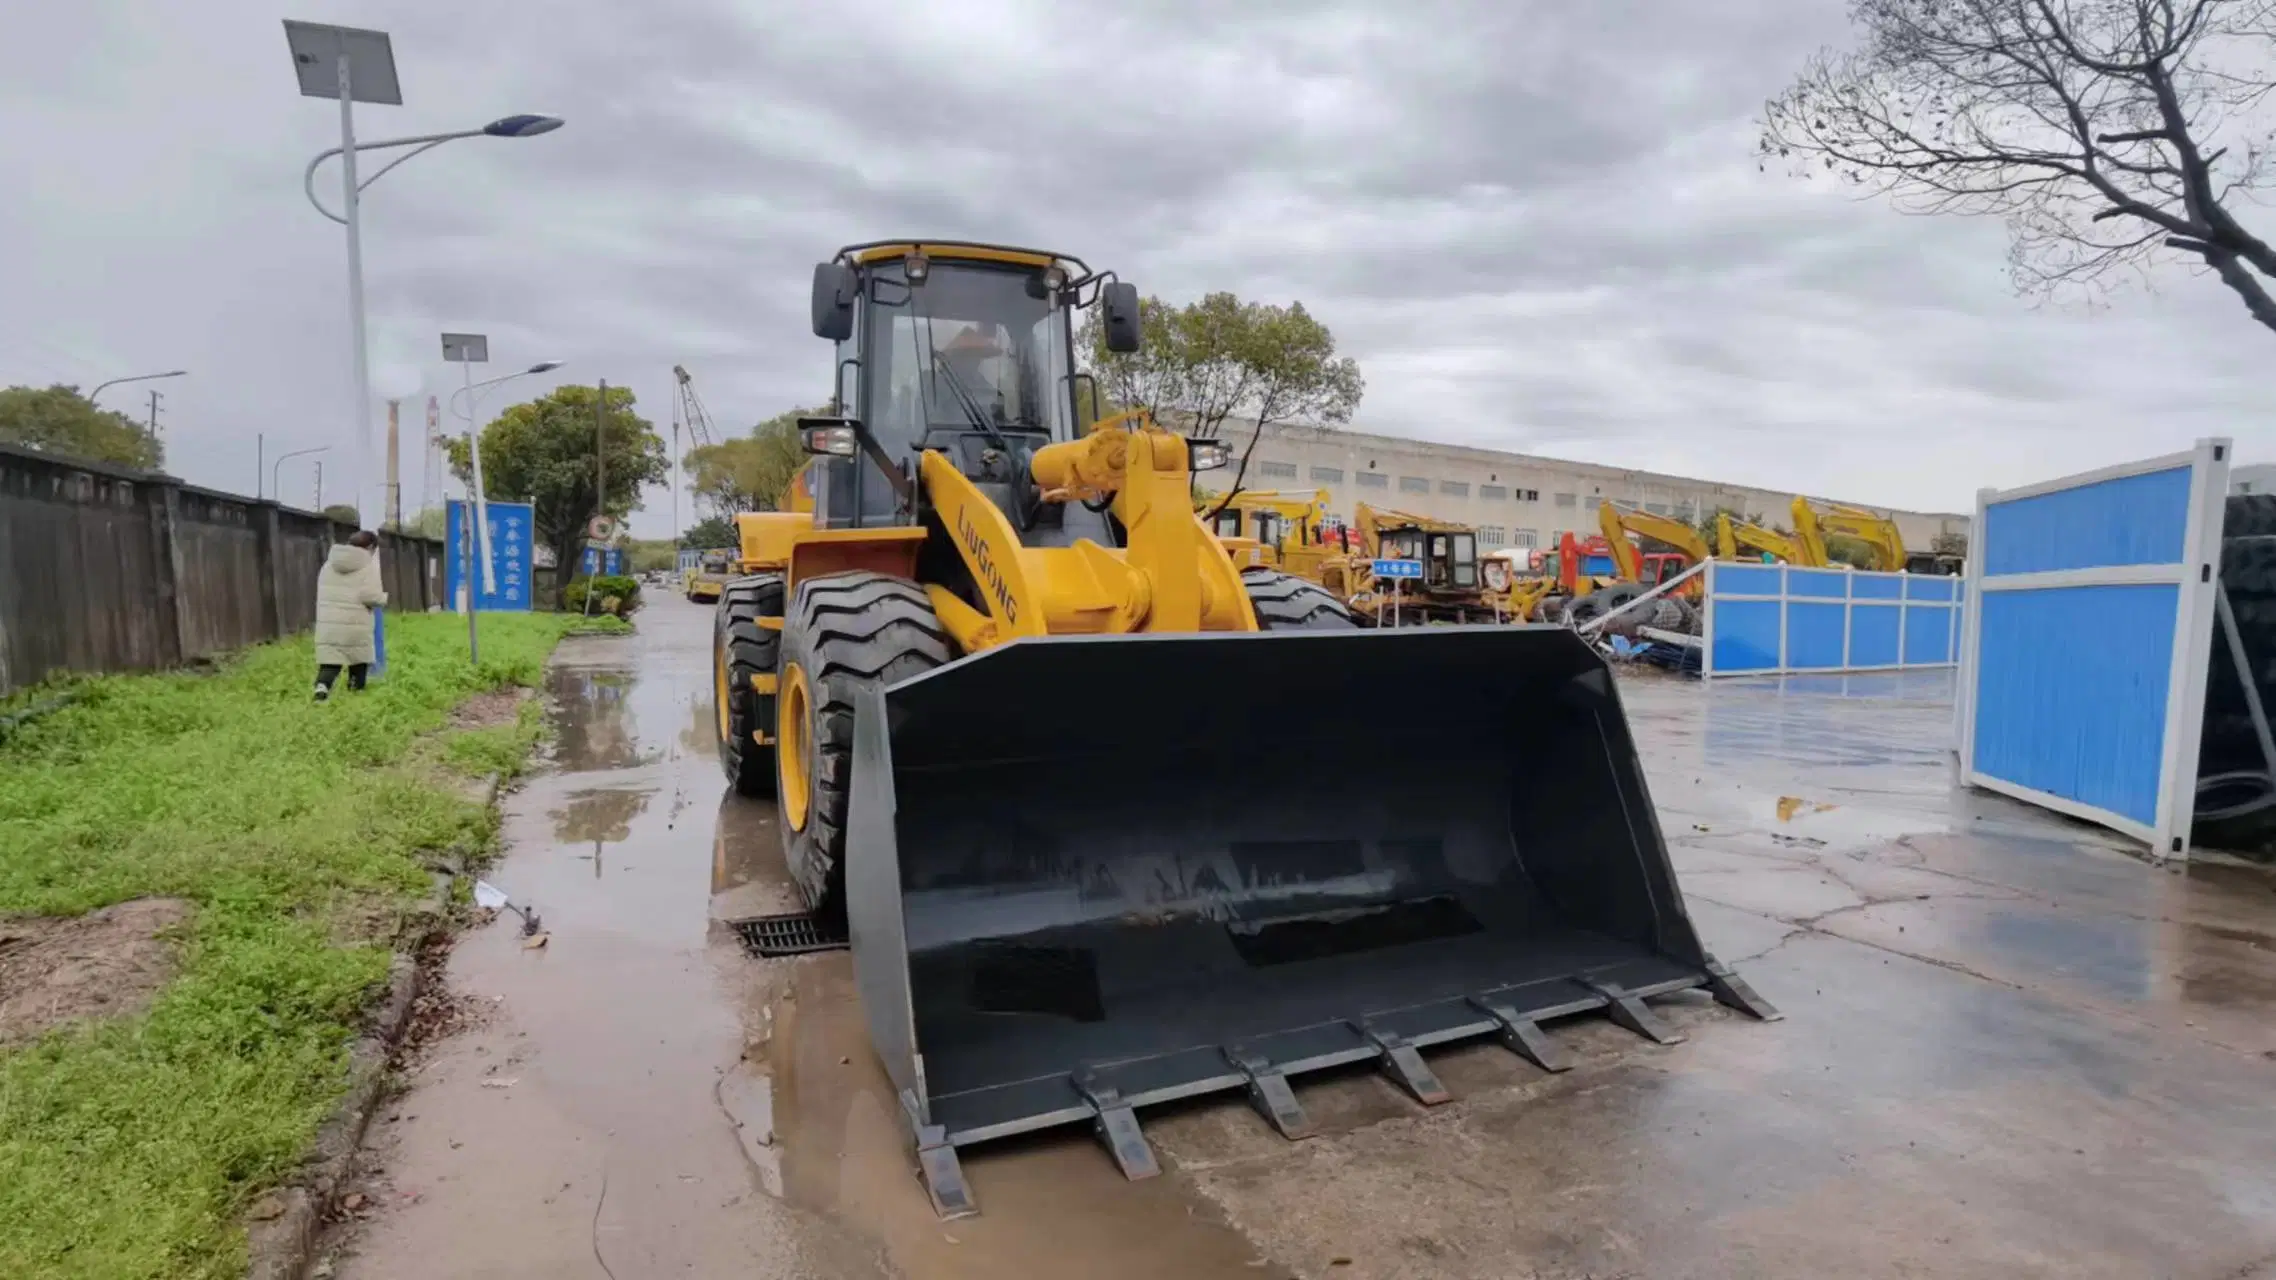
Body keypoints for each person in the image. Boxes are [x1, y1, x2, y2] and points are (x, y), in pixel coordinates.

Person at [314, 530, 387, 702]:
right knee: (358, 659)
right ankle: (355, 695)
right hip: (356, 622)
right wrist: (383, 598)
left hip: (330, 623)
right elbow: (370, 596)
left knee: (331, 659)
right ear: (370, 547)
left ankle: (321, 688)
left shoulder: (329, 564)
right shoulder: (368, 566)